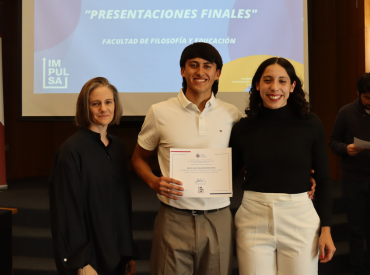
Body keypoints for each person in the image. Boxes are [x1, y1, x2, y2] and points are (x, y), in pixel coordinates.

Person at [131, 42, 242, 275]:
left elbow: (253, 158)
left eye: (207, 66)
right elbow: (138, 158)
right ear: (183, 70)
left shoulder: (232, 115)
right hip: (173, 217)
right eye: (193, 65)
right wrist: (153, 181)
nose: (200, 72)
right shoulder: (160, 112)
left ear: (217, 73)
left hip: (218, 218)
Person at [229, 57, 336, 274]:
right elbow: (226, 173)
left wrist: (326, 229)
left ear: (292, 86)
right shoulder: (243, 127)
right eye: (267, 80)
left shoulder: (311, 123)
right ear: (257, 85)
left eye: (282, 81)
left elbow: (323, 179)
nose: (274, 87)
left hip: (299, 217)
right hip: (253, 218)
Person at [49, 77, 136, 275]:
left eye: (108, 102)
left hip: (116, 253)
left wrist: (127, 253)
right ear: (85, 108)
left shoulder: (117, 146)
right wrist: (81, 262)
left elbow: (121, 204)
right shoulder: (70, 151)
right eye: (95, 104)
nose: (103, 109)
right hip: (89, 258)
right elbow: (66, 211)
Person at [329, 73, 370, 275]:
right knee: (355, 230)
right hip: (353, 179)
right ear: (358, 93)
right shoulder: (346, 112)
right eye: (368, 98)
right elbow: (333, 142)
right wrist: (346, 148)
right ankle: (358, 270)